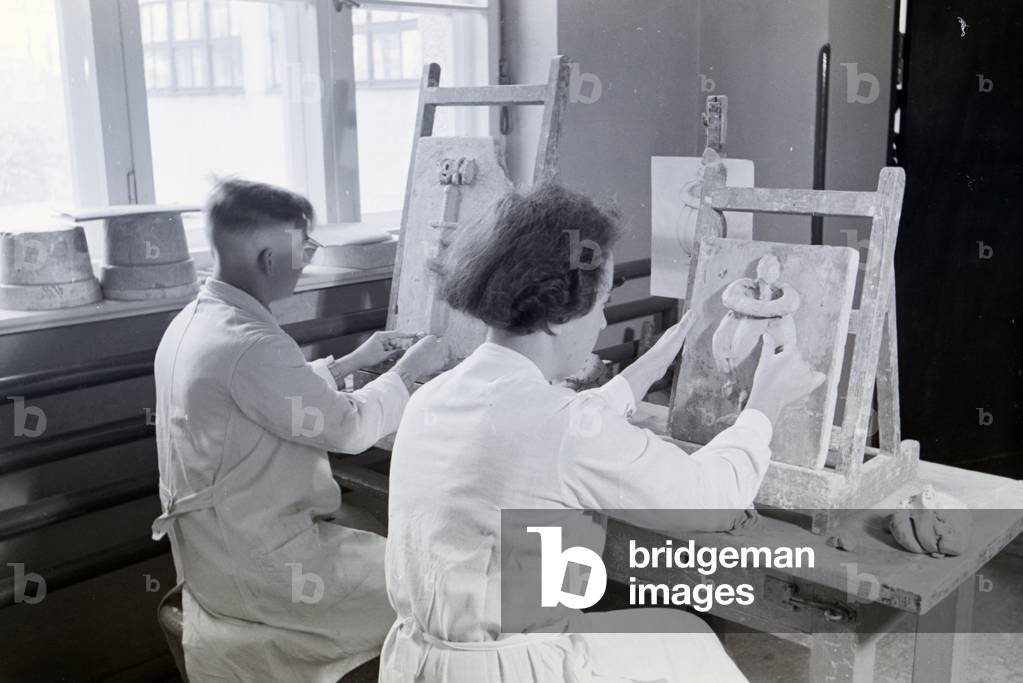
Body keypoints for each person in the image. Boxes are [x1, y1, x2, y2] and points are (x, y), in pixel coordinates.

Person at [381, 183, 824, 682]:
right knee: (689, 642)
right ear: (557, 316)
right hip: (512, 668)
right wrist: (765, 404)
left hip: (418, 661)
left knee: (682, 635)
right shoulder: (565, 428)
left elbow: (538, 432)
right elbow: (712, 500)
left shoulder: (434, 395)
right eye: (601, 303)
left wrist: (642, 373)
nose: (605, 318)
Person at [151, 178, 447, 682]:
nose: (306, 261)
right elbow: (350, 429)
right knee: (430, 589)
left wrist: (352, 361)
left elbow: (263, 394)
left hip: (219, 547)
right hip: (261, 563)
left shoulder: (197, 321)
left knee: (411, 563)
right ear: (270, 258)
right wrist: (411, 370)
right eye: (304, 248)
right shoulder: (249, 343)